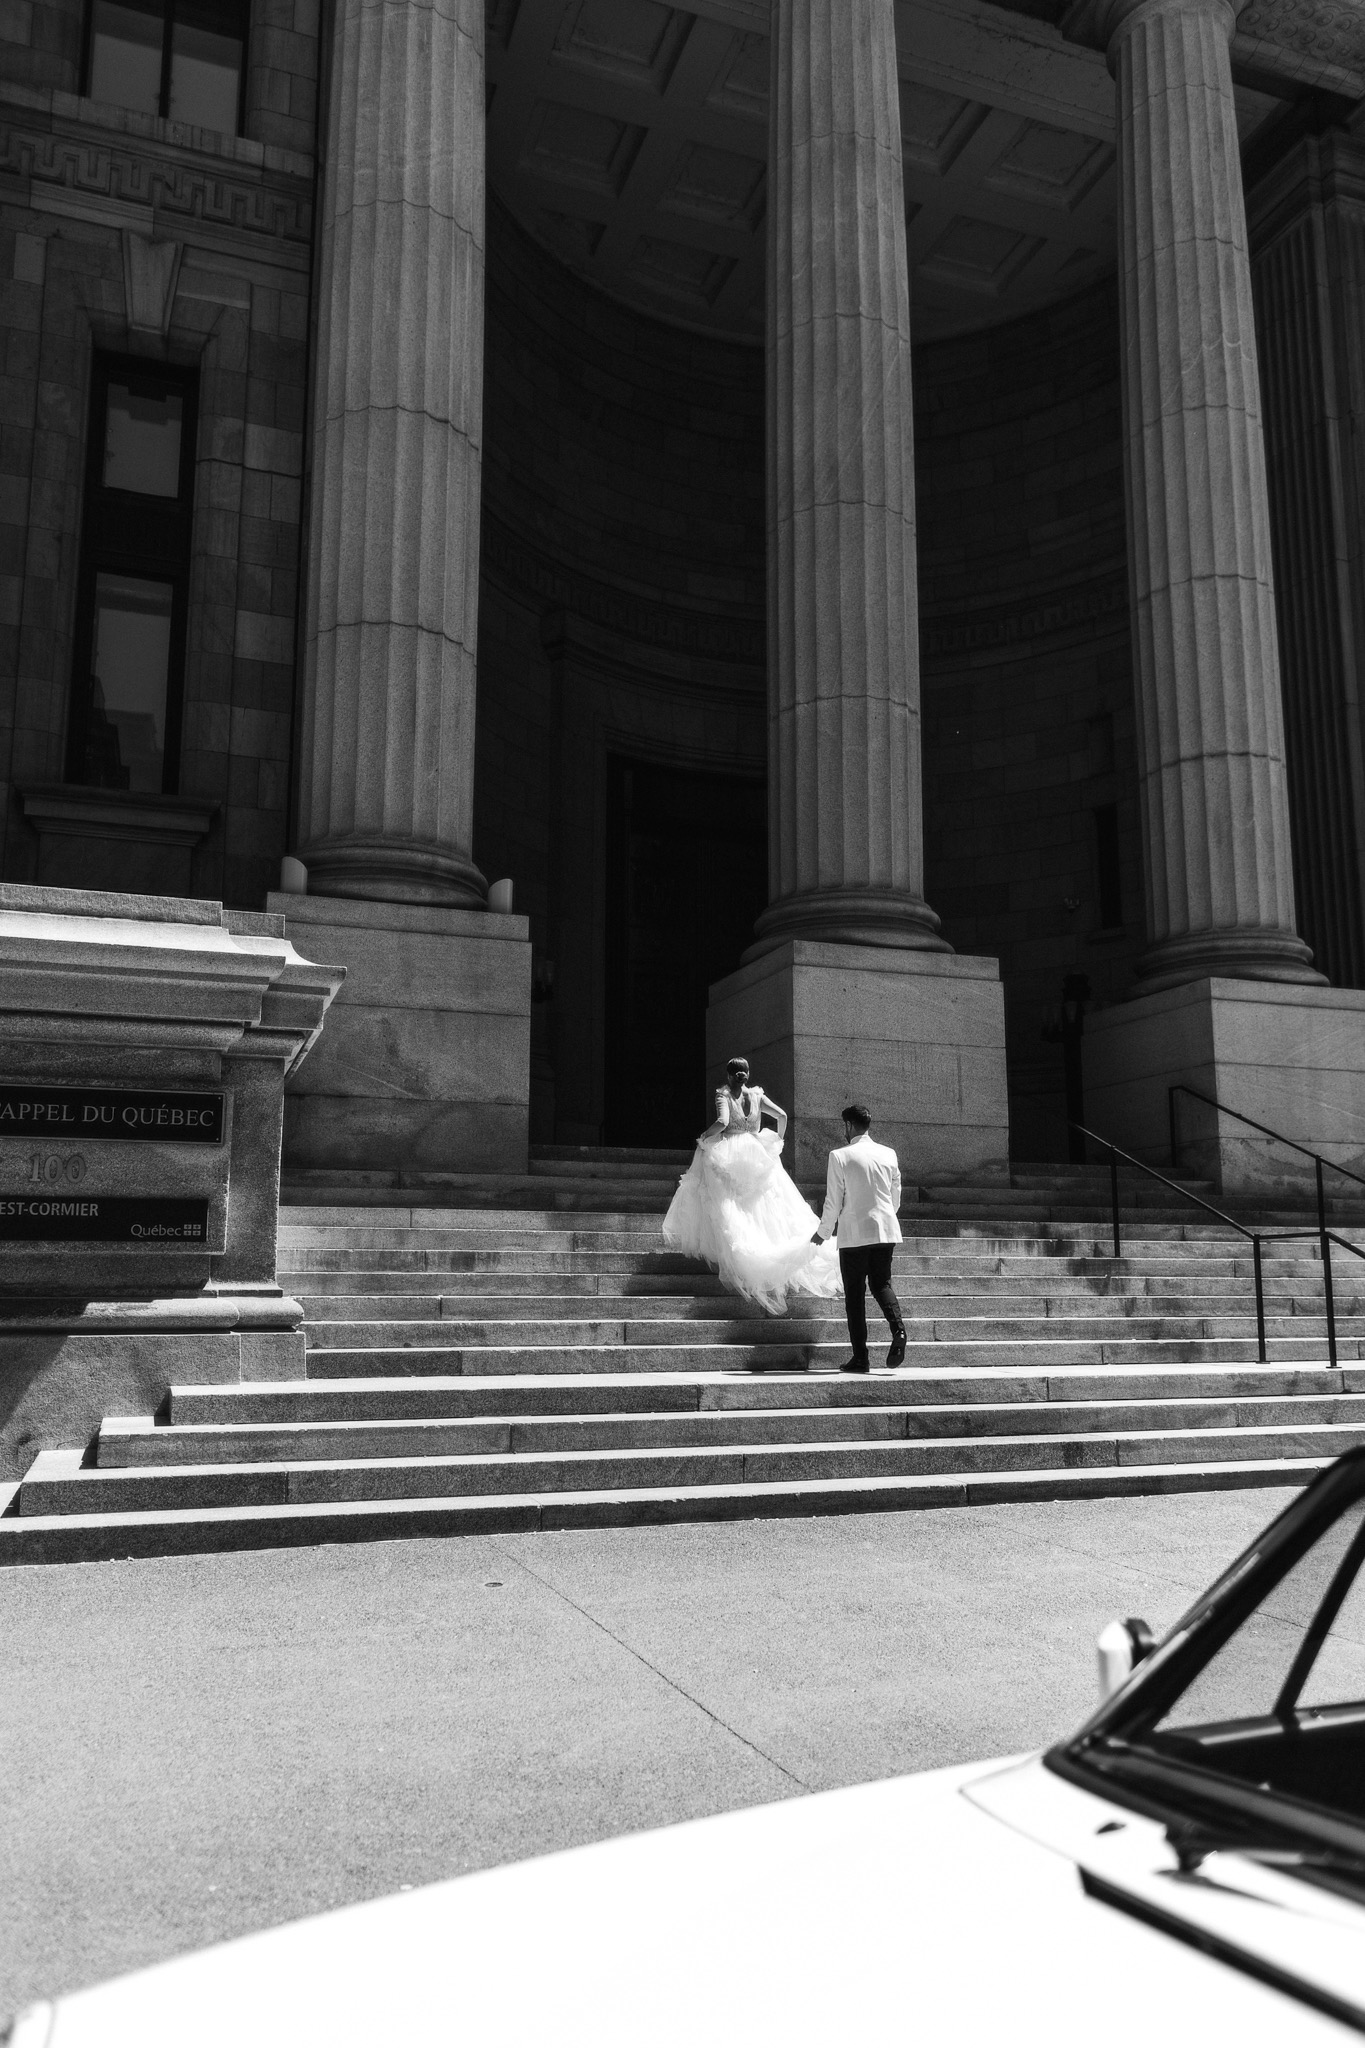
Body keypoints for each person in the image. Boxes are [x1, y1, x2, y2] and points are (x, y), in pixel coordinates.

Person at [662, 1056, 843, 1314]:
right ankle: (773, 1248)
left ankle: (743, 1258)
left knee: (732, 1204)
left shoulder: (723, 1095)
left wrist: (705, 1136)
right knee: (766, 1203)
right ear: (746, 1074)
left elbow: (723, 1123)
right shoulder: (756, 1095)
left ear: (728, 1075)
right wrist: (776, 1143)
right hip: (758, 1150)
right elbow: (781, 1116)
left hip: (731, 1152)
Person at [811, 1104, 908, 1374]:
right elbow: (895, 1196)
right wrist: (885, 1218)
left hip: (854, 1234)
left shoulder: (839, 1156)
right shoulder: (889, 1154)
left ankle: (861, 1357)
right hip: (885, 1230)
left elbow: (833, 1200)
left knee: (855, 1295)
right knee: (882, 1284)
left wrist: (823, 1232)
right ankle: (898, 1330)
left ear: (849, 1126)